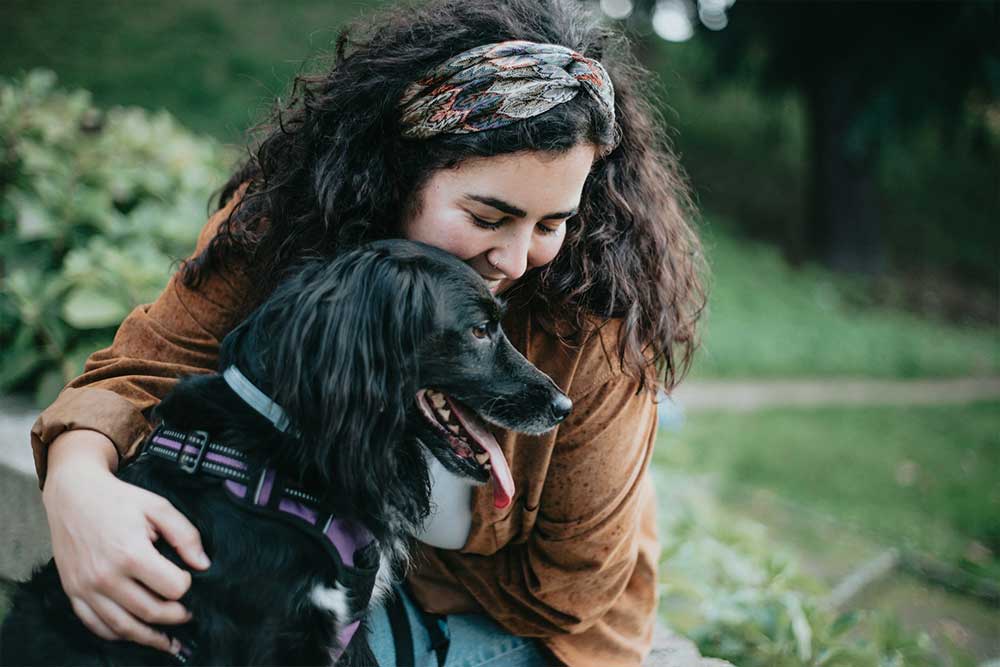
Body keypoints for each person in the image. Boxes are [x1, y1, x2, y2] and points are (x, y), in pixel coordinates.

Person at [28, 0, 707, 665]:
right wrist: (77, 485)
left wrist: (349, 542)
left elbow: (569, 591)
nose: (513, 257)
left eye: (550, 224)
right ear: (402, 172)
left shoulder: (594, 324)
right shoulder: (286, 225)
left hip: (517, 628)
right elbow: (140, 373)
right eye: (487, 215)